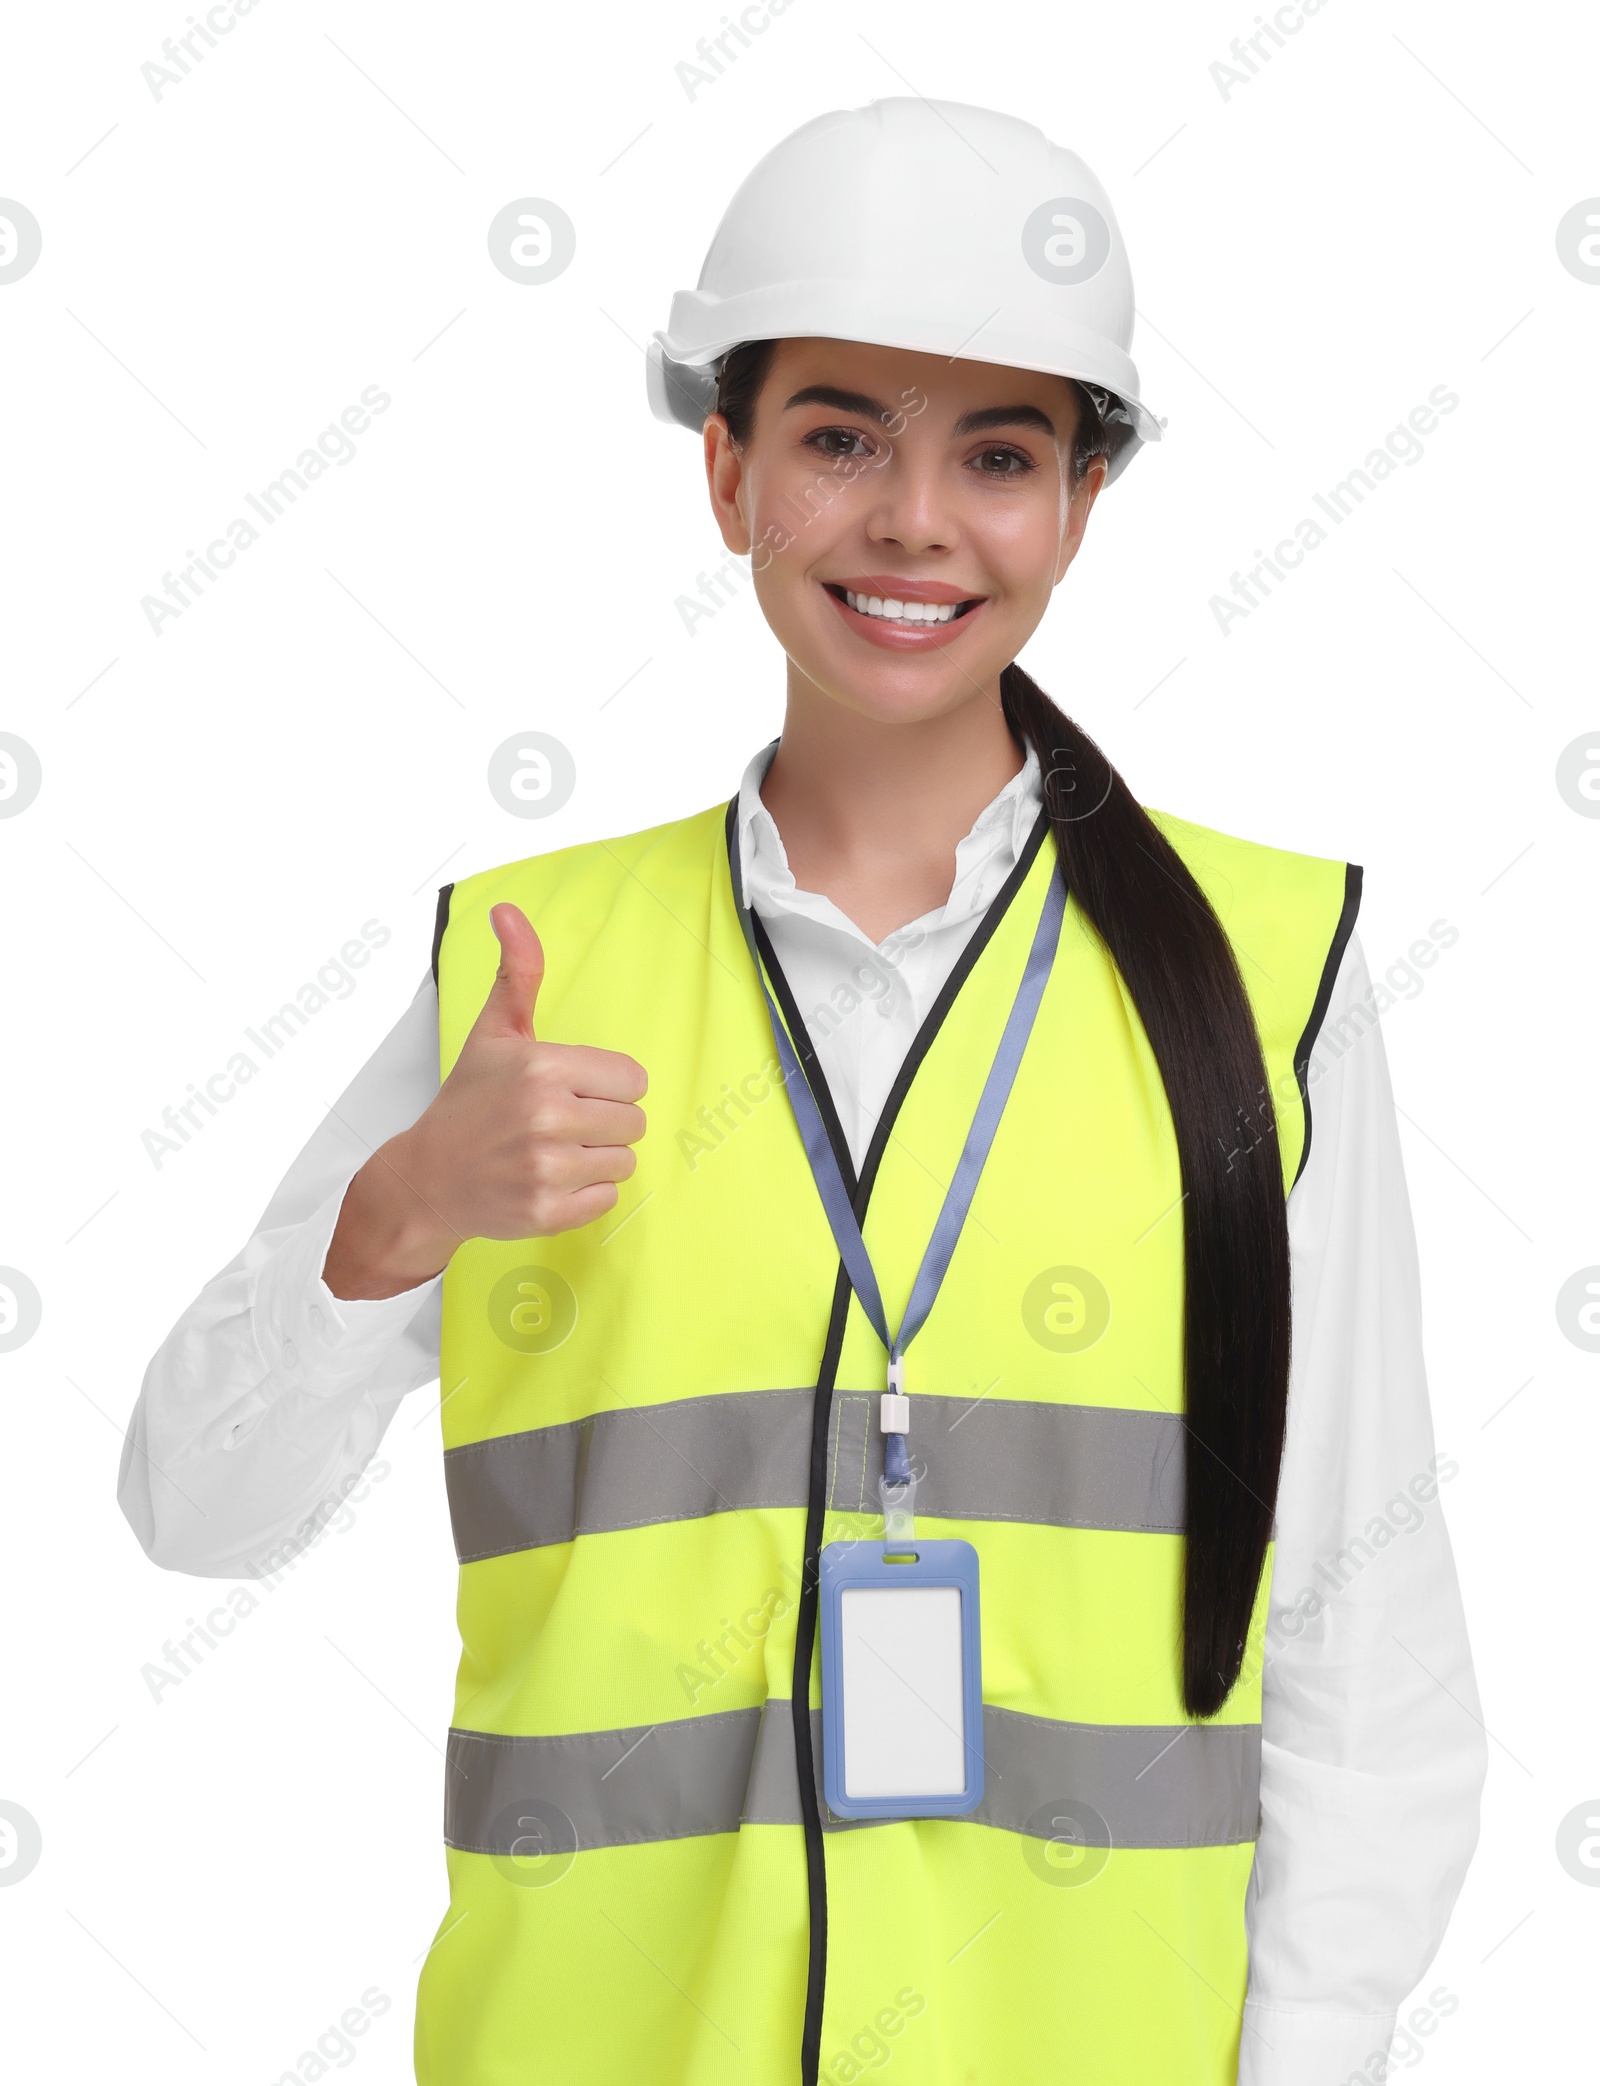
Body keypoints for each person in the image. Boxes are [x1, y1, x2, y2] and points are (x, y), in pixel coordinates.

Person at [120, 98, 1486, 2086]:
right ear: (726, 471)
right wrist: (389, 1222)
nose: (914, 522)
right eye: (840, 434)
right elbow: (189, 1509)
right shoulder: (528, 970)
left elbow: (1370, 1647)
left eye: (997, 452)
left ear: (1082, 499)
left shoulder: (1269, 977)